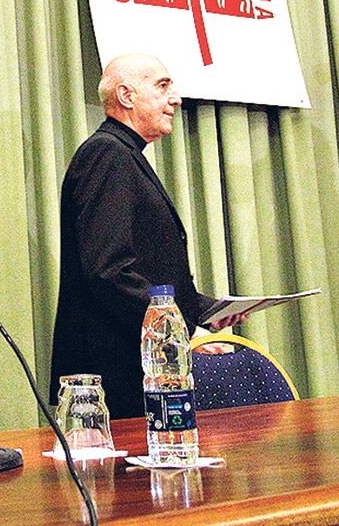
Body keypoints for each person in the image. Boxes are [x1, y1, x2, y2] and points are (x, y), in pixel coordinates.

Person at [49, 53, 238, 419]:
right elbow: (108, 271)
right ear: (126, 96)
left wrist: (204, 310)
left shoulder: (122, 154)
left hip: (136, 367)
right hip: (117, 374)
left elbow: (145, 267)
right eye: (162, 86)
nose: (176, 98)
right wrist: (179, 330)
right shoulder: (107, 154)